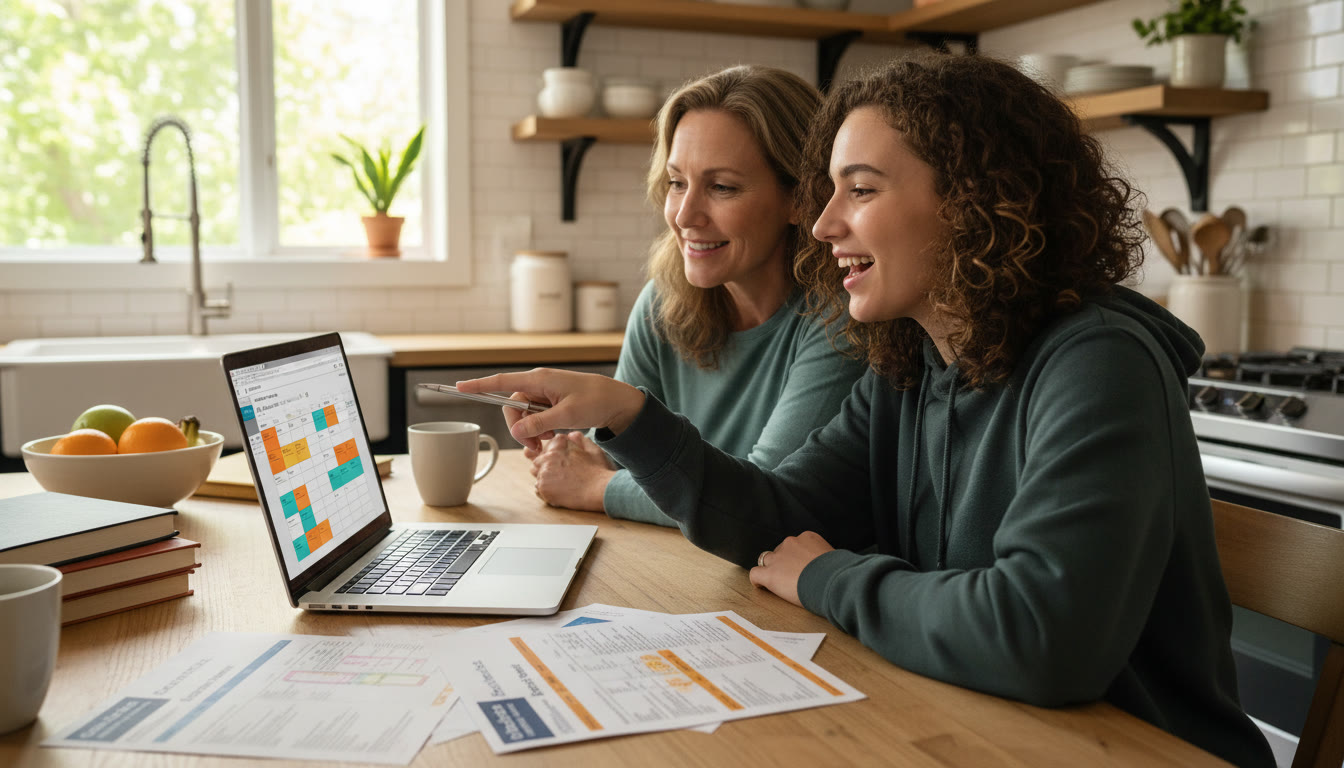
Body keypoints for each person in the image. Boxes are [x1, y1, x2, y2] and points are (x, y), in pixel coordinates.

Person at [459, 52, 1274, 767]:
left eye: (862, 190)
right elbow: (778, 516)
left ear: (972, 202)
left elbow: (1041, 636)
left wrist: (829, 577)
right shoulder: (912, 363)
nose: (822, 223)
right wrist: (636, 419)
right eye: (828, 191)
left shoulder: (1098, 363)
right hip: (984, 721)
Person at [526, 65, 866, 525]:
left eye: (722, 187)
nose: (685, 215)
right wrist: (576, 461)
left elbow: (762, 496)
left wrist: (595, 487)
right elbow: (619, 457)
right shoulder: (662, 302)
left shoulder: (842, 316)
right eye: (676, 182)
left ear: (801, 198)